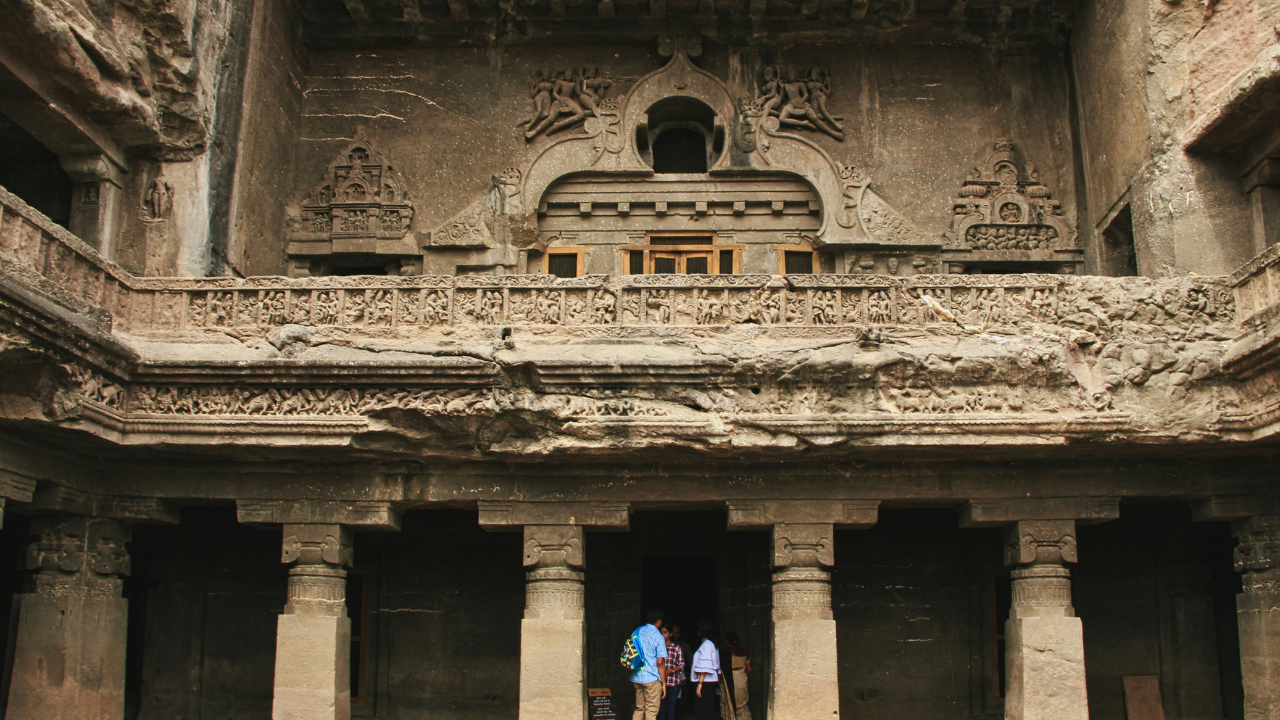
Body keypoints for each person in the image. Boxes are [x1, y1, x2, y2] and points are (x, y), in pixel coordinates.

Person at [630, 609, 668, 720]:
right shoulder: (658, 637)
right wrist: (663, 684)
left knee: (639, 709)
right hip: (651, 678)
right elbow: (660, 662)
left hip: (637, 677)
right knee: (651, 711)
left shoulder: (636, 632)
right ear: (659, 621)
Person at [689, 620, 722, 720]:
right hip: (710, 681)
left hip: (705, 682)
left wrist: (700, 684)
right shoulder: (712, 644)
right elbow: (717, 667)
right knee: (708, 708)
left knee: (703, 710)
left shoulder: (706, 645)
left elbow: (705, 665)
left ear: (699, 632)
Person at [658, 626, 684, 720]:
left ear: (670, 634)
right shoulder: (657, 647)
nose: (662, 635)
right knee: (661, 710)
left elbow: (681, 665)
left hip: (673, 683)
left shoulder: (676, 648)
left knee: (670, 710)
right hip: (660, 682)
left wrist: (670, 671)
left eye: (665, 632)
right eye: (661, 632)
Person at [724, 632, 752, 720]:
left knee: (730, 705)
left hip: (730, 681)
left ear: (728, 642)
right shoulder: (744, 653)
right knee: (742, 705)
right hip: (742, 680)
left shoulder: (725, 654)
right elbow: (749, 669)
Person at [670, 625, 695, 716]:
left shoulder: (684, 646)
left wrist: (690, 677)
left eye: (677, 632)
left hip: (682, 678)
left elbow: (691, 661)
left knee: (682, 701)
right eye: (673, 632)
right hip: (669, 677)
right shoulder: (665, 645)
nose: (675, 635)